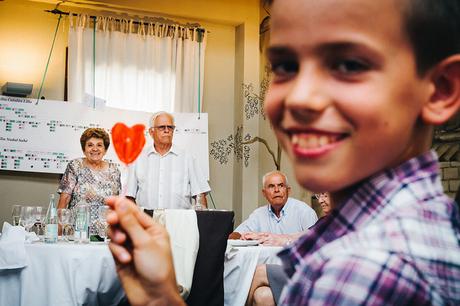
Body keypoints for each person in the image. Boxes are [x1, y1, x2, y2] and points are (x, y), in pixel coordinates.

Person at [106, 0, 460, 305]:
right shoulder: (350, 230)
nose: (299, 98)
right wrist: (160, 296)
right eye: (285, 67)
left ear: (439, 91)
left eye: (349, 64)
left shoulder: (368, 271)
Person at [246, 192, 332, 306]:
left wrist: (285, 241)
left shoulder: (340, 221)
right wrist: (264, 236)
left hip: (318, 278)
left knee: (261, 271)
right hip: (310, 273)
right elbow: (299, 236)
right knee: (262, 295)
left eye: (325, 195)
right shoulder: (324, 220)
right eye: (319, 196)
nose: (321, 200)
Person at [125, 111, 210, 209]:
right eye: (162, 127)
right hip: (147, 221)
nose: (167, 130)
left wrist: (202, 221)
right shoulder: (138, 158)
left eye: (170, 127)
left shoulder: (187, 158)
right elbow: (129, 196)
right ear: (151, 132)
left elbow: (200, 195)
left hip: (180, 221)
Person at [228, 170, 317, 246]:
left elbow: (316, 243)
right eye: (271, 186)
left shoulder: (305, 212)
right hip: (264, 263)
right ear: (264, 193)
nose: (276, 190)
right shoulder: (258, 214)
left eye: (281, 185)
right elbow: (234, 235)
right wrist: (243, 237)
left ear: (288, 190)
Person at [58, 128, 121, 215]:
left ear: (105, 150)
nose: (95, 149)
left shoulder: (113, 170)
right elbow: (64, 199)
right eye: (90, 145)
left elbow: (116, 203)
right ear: (84, 149)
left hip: (106, 226)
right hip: (77, 225)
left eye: (99, 145)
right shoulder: (75, 166)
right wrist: (59, 226)